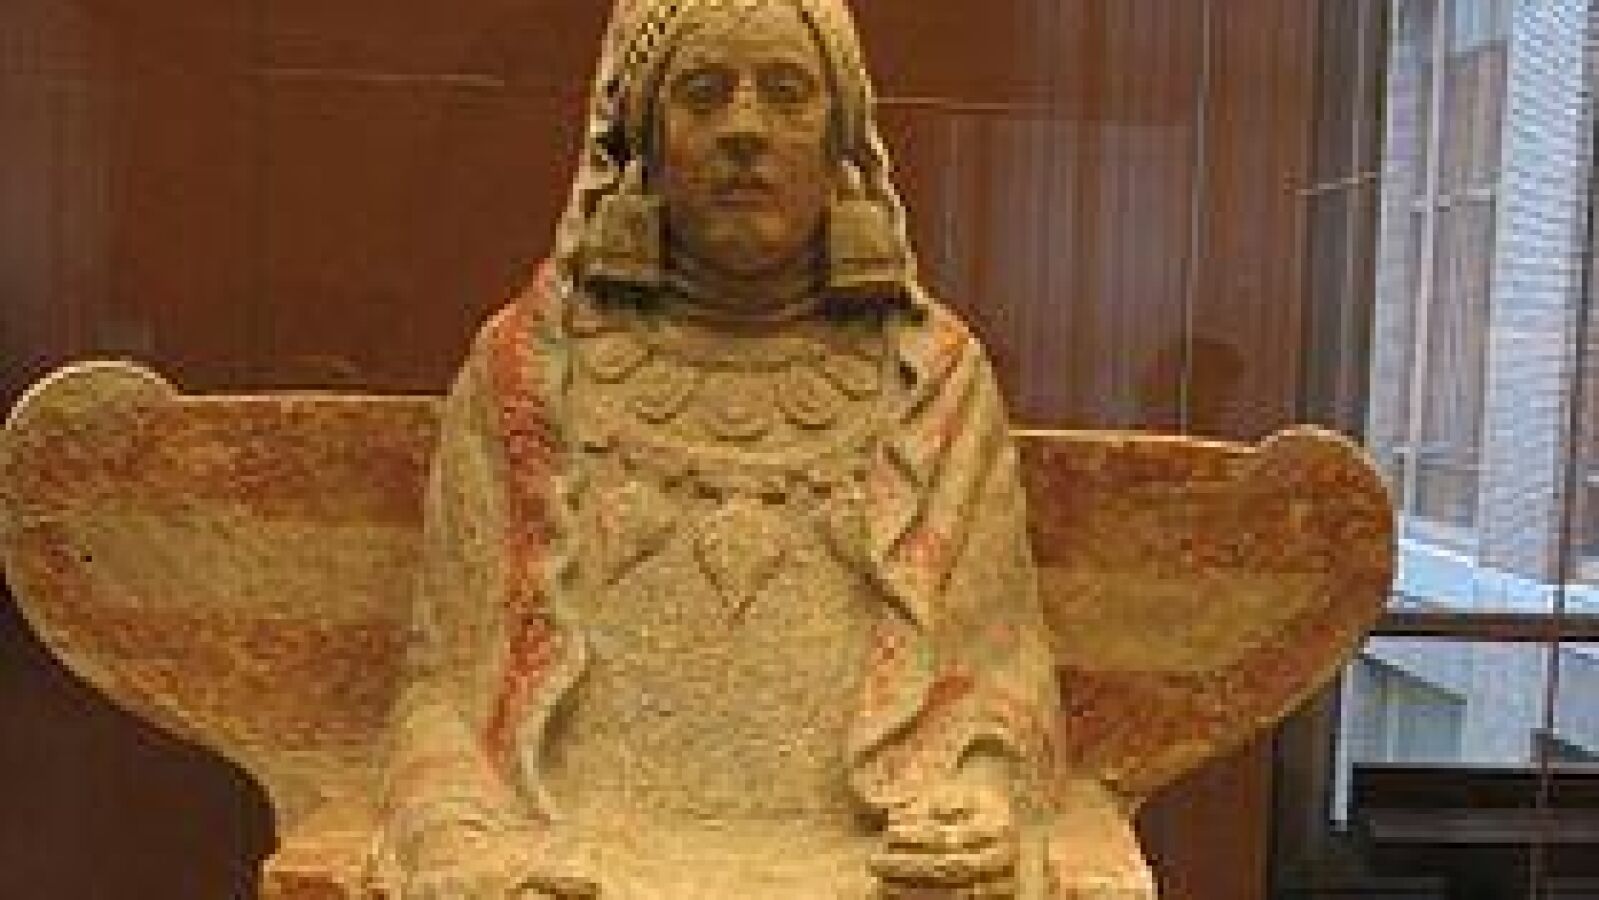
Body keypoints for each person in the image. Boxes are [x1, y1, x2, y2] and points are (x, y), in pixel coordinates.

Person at [374, 1, 1134, 896]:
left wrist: (976, 794)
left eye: (786, 91)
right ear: (641, 143)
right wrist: (457, 838)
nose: (744, 127)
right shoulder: (528, 372)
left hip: (865, 862)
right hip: (580, 857)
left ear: (841, 137)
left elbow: (997, 676)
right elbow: (446, 691)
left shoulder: (930, 379)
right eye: (702, 93)